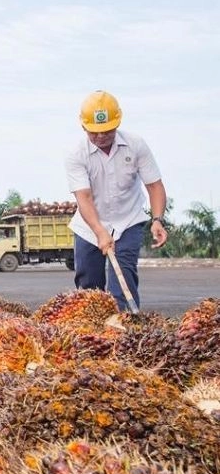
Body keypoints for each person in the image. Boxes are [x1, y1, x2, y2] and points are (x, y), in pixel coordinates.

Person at [65, 90, 168, 311]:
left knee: (123, 282)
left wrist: (157, 219)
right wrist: (100, 232)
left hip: (128, 221)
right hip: (89, 226)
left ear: (117, 123)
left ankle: (126, 329)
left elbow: (154, 186)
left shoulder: (136, 145)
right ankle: (92, 336)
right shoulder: (76, 154)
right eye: (94, 132)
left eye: (107, 131)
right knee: (89, 288)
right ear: (84, 127)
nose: (101, 136)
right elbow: (84, 197)